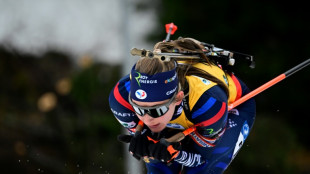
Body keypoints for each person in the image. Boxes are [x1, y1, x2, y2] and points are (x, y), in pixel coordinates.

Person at [109, 37, 256, 174]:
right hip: (178, 117)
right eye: (139, 109)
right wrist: (146, 143)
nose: (147, 119)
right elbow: (150, 142)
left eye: (157, 110)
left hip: (231, 108)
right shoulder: (120, 99)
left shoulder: (208, 103)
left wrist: (176, 154)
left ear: (178, 98)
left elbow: (201, 159)